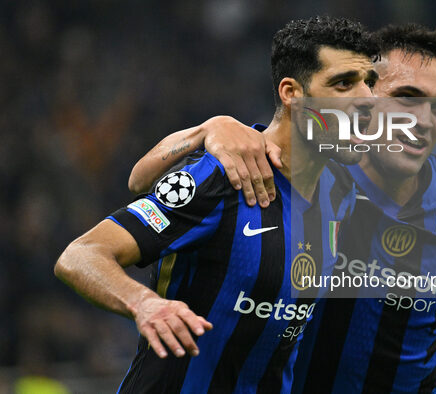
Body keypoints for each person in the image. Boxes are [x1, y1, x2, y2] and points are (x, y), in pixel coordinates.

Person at [129, 23, 436, 393]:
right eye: (406, 98)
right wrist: (209, 128)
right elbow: (142, 180)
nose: (424, 121)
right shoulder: (305, 176)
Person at [54, 16, 379, 393]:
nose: (368, 101)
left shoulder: (342, 195)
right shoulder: (223, 177)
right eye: (343, 84)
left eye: (369, 84)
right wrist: (143, 303)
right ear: (292, 93)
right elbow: (80, 256)